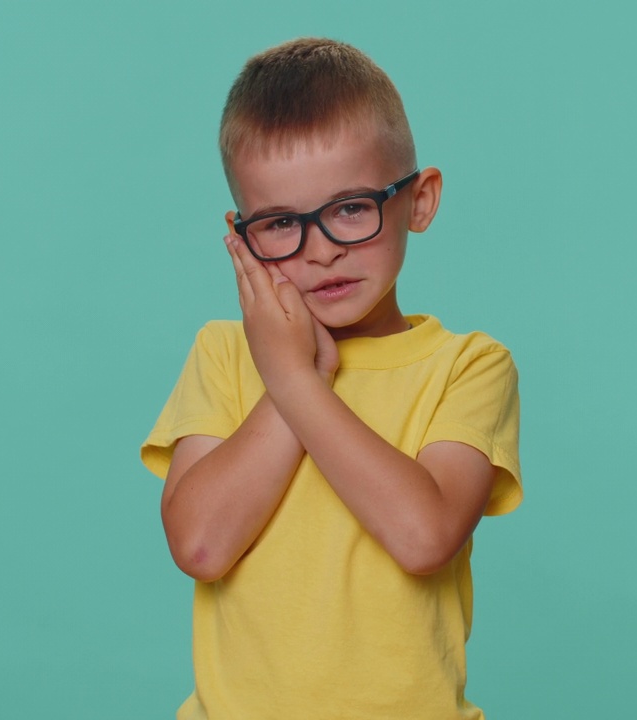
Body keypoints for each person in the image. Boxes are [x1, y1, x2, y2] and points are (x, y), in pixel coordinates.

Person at [141, 37, 522, 719]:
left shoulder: (467, 366)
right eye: (282, 223)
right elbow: (200, 544)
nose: (320, 251)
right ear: (242, 238)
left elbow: (423, 536)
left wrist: (293, 380)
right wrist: (286, 373)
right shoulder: (223, 355)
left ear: (420, 200)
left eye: (351, 207)